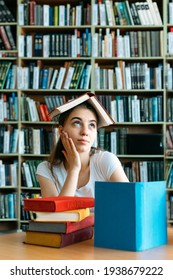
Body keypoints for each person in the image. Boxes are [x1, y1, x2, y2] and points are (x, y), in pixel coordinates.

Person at [36, 94, 129, 198]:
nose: (85, 132)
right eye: (77, 123)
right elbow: (58, 214)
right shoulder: (46, 170)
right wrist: (74, 170)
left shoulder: (106, 160)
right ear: (61, 131)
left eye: (92, 125)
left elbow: (130, 203)